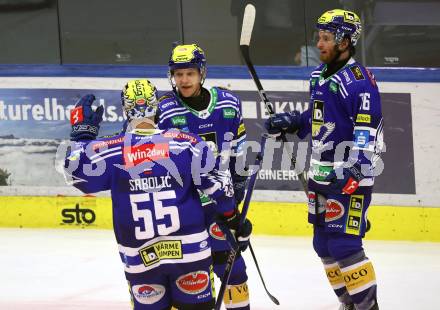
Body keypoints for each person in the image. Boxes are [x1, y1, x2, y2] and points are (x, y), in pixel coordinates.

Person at [64, 79, 252, 309]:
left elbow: (76, 174)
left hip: (141, 260)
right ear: (156, 107)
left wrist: (82, 137)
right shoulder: (187, 144)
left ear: (125, 109)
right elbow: (219, 188)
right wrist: (233, 217)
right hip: (191, 254)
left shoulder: (112, 151)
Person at [265, 9, 383, 310]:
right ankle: (349, 303)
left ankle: (367, 306)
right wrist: (293, 121)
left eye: (327, 38)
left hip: (349, 179)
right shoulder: (318, 75)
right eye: (319, 37)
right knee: (323, 246)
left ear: (345, 42)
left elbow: (367, 131)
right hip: (321, 174)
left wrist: (354, 171)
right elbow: (318, 118)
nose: (319, 43)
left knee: (345, 245)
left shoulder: (359, 83)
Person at [157, 43, 251, 310]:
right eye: (178, 74)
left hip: (220, 204)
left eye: (189, 73)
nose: (184, 80)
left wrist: (237, 192)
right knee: (193, 279)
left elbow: (239, 154)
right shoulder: (164, 110)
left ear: (201, 73)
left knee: (234, 270)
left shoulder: (228, 103)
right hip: (185, 207)